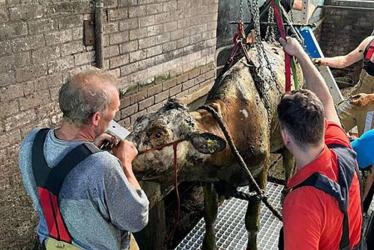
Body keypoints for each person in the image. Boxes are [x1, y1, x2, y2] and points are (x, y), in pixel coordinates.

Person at [19, 69, 149, 250]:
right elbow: (136, 219)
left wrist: (87, 149)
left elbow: (62, 176)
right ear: (96, 118)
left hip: (49, 244)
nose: (114, 117)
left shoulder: (31, 142)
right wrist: (125, 162)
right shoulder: (104, 165)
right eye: (113, 112)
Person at [277, 37, 362, 249]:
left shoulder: (302, 204)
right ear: (321, 125)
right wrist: (299, 53)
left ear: (286, 137)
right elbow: (326, 100)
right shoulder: (341, 148)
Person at [314, 34, 374, 134]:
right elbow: (345, 60)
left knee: (366, 142)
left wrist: (369, 98)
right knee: (329, 127)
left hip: (371, 107)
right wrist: (321, 61)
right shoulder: (369, 43)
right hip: (356, 98)